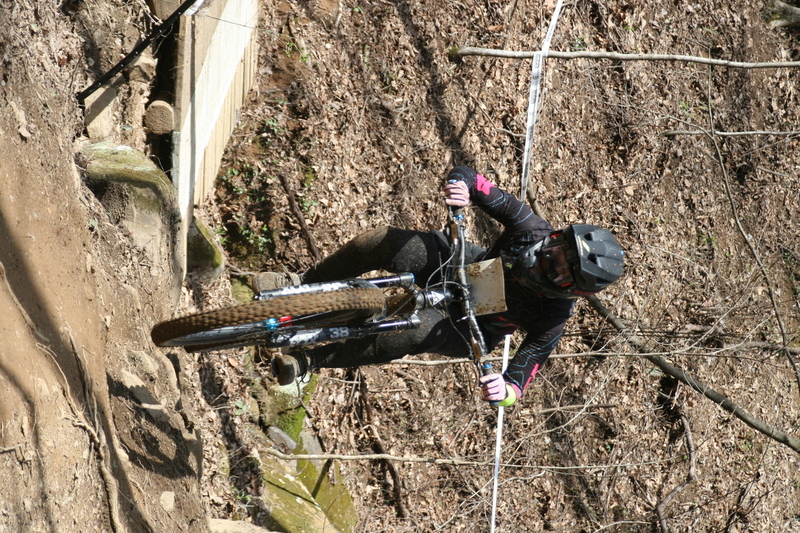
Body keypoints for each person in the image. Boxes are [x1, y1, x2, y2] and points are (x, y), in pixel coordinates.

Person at [271, 166, 624, 406]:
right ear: (557, 236)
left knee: (408, 332)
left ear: (571, 291)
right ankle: (300, 284)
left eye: (561, 272)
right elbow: (473, 179)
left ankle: (309, 360)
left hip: (470, 326)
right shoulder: (530, 228)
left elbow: (524, 371)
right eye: (558, 252)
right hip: (463, 266)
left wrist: (506, 389)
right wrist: (461, 188)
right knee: (380, 241)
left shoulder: (553, 317)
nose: (550, 263)